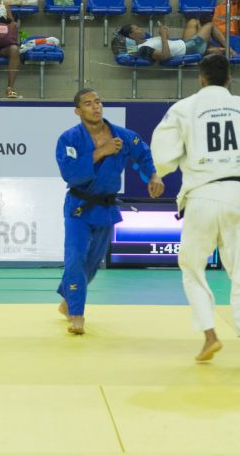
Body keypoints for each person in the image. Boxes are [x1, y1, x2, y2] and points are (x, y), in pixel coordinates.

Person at [150, 54, 240, 363]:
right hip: (237, 195)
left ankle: (210, 336)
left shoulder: (183, 109)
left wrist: (160, 172)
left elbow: (164, 155)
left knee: (192, 269)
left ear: (200, 79)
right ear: (229, 79)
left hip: (201, 196)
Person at [56, 88, 165, 335]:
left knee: (92, 264)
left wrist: (153, 176)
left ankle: (67, 300)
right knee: (75, 257)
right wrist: (101, 152)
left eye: (98, 102)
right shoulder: (69, 139)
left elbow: (143, 153)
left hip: (104, 207)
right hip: (78, 208)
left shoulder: (123, 136)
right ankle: (77, 314)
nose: (95, 107)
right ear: (77, 111)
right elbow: (70, 174)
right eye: (88, 103)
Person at [118, 20, 234, 62]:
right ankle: (229, 51)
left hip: (184, 44)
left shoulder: (146, 40)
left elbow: (167, 45)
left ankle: (208, 50)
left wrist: (166, 35)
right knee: (210, 26)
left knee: (193, 22)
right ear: (132, 35)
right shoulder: (142, 49)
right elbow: (165, 56)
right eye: (137, 29)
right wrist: (163, 37)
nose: (141, 29)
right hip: (189, 48)